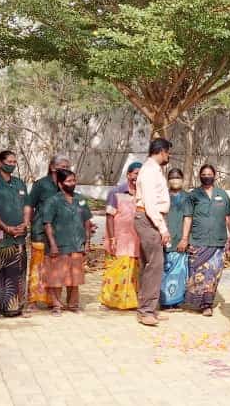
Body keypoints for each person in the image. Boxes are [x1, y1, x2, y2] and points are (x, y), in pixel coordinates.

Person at [184, 164, 230, 315]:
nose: (206, 176)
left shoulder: (222, 194)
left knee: (214, 273)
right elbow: (188, 217)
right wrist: (185, 238)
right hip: (198, 241)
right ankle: (198, 302)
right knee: (199, 273)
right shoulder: (193, 195)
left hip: (218, 242)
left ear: (214, 176)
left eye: (209, 174)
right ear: (200, 176)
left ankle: (207, 303)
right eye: (203, 174)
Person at [41, 168, 92, 314]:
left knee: (75, 276)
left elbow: (87, 221)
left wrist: (87, 242)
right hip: (59, 244)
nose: (72, 183)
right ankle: (57, 305)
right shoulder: (53, 201)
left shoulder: (80, 199)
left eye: (74, 180)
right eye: (69, 181)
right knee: (57, 276)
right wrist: (52, 244)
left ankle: (73, 305)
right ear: (60, 183)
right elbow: (47, 224)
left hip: (77, 244)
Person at [0, 150, 32, 318]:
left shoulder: (20, 183)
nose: (12, 165)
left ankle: (18, 306)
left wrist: (25, 223)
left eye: (15, 162)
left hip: (20, 235)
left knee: (19, 270)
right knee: (2, 271)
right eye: (9, 161)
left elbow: (27, 205)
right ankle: (3, 307)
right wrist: (5, 227)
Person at [134, 138, 172, 326]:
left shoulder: (154, 170)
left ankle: (148, 308)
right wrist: (162, 228)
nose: (169, 156)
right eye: (168, 152)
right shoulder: (149, 171)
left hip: (151, 218)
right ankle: (146, 310)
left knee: (149, 264)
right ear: (162, 151)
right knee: (154, 264)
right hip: (148, 218)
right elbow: (150, 204)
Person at [28, 153, 71, 308]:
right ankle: (33, 300)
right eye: (62, 166)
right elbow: (30, 205)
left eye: (67, 167)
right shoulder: (40, 184)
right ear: (52, 167)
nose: (65, 169)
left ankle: (53, 301)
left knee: (54, 268)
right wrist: (29, 224)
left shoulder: (66, 185)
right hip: (40, 231)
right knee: (37, 266)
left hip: (59, 234)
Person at [99, 161, 142, 310]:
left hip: (135, 240)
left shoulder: (143, 193)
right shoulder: (116, 193)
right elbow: (109, 217)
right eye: (136, 173)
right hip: (118, 239)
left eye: (140, 174)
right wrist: (112, 238)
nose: (137, 177)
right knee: (115, 271)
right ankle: (109, 301)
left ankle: (130, 303)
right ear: (128, 174)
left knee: (133, 272)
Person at [159, 167, 193, 310]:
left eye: (178, 177)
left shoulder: (188, 198)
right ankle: (165, 301)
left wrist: (185, 239)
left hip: (181, 239)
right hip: (165, 238)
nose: (175, 180)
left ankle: (177, 300)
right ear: (168, 180)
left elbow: (189, 218)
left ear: (182, 179)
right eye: (172, 178)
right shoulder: (162, 196)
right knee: (164, 269)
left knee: (180, 271)